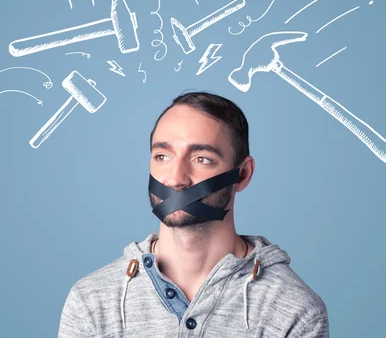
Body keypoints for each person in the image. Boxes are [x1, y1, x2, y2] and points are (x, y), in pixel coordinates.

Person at [58, 91, 329, 337]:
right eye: (162, 156)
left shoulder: (294, 312)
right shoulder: (92, 302)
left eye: (202, 159)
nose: (176, 179)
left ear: (243, 174)